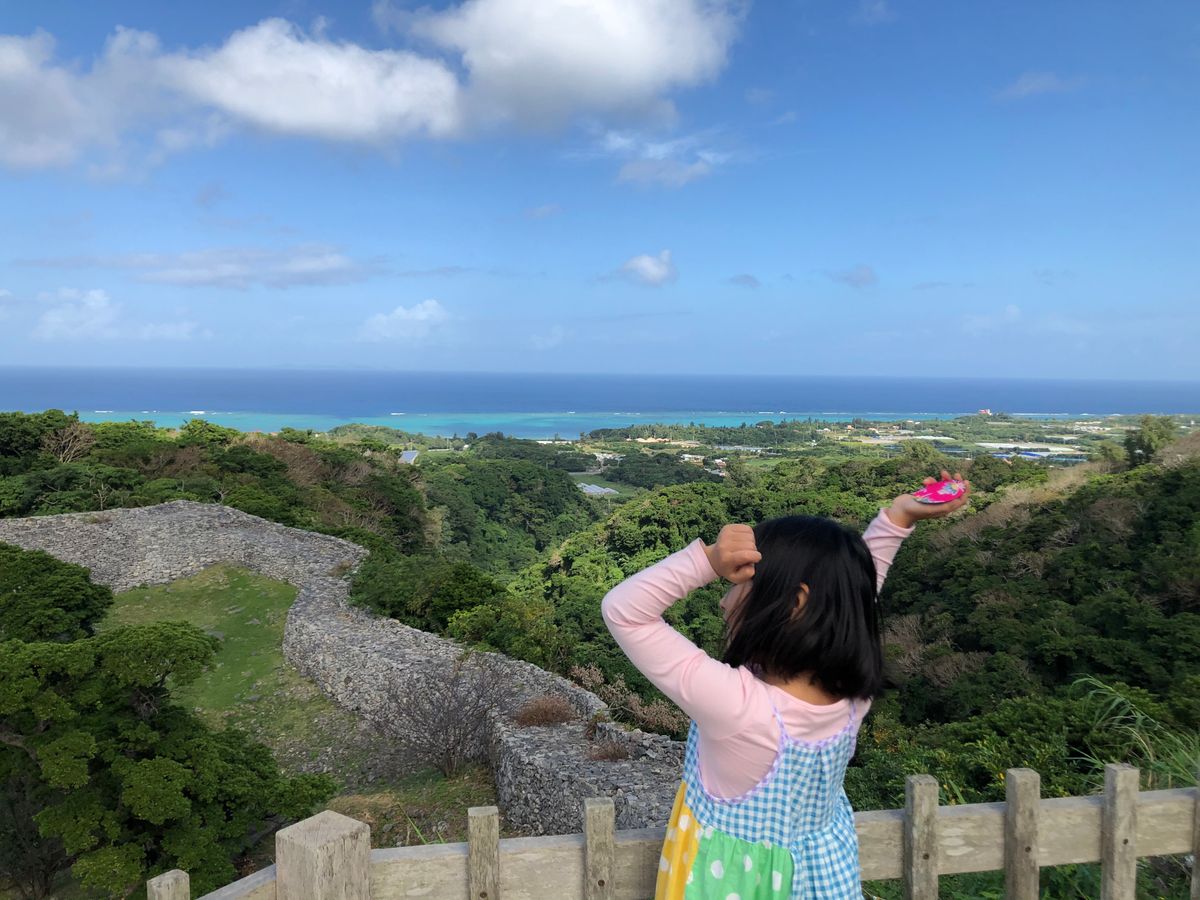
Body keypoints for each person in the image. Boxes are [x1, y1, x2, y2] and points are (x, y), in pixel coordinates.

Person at [601, 471, 970, 899]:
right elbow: (851, 597)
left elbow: (624, 612)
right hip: (825, 881)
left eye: (741, 585)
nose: (724, 599)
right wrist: (898, 518)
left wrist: (707, 562)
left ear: (795, 603)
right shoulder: (853, 698)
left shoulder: (739, 707)